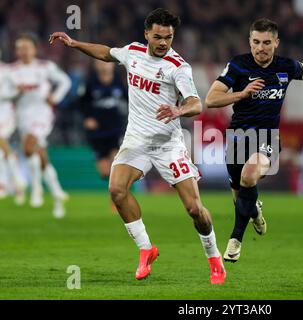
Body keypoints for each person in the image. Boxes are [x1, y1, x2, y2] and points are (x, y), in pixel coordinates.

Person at [49, 8, 226, 284]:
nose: (163, 42)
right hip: (137, 140)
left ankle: (214, 257)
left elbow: (195, 102)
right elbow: (106, 52)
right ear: (147, 35)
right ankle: (147, 249)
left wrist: (178, 111)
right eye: (158, 37)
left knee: (194, 209)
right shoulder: (132, 52)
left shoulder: (178, 67)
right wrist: (74, 44)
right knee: (116, 190)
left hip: (168, 145)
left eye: (168, 37)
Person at [205, 18, 303, 262]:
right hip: (238, 138)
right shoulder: (238, 66)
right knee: (240, 197)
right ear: (250, 42)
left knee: (249, 176)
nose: (261, 47)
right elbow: (211, 99)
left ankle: (235, 240)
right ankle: (254, 211)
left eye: (266, 42)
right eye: (256, 42)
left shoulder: (286, 67)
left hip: (268, 138)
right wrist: (242, 93)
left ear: (276, 43)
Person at [3, 34, 71, 218]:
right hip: (22, 116)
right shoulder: (10, 71)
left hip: (42, 114)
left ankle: (36, 189)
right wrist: (14, 94)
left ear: (34, 49)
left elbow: (65, 81)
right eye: (20, 48)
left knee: (28, 147)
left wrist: (55, 98)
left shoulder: (45, 67)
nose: (24, 52)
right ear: (16, 51)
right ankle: (57, 193)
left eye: (27, 48)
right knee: (39, 154)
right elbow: (3, 94)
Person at [80, 60, 127, 180]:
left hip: (115, 129)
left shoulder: (119, 81)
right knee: (104, 172)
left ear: (112, 64)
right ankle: (115, 188)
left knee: (116, 164)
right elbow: (81, 104)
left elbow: (131, 100)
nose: (104, 65)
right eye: (100, 63)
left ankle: (118, 192)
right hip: (97, 131)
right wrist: (87, 118)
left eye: (106, 62)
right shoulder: (90, 83)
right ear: (96, 65)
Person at [0, 55, 27, 203]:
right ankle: (14, 186)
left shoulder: (8, 71)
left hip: (6, 114)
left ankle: (16, 179)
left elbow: (18, 90)